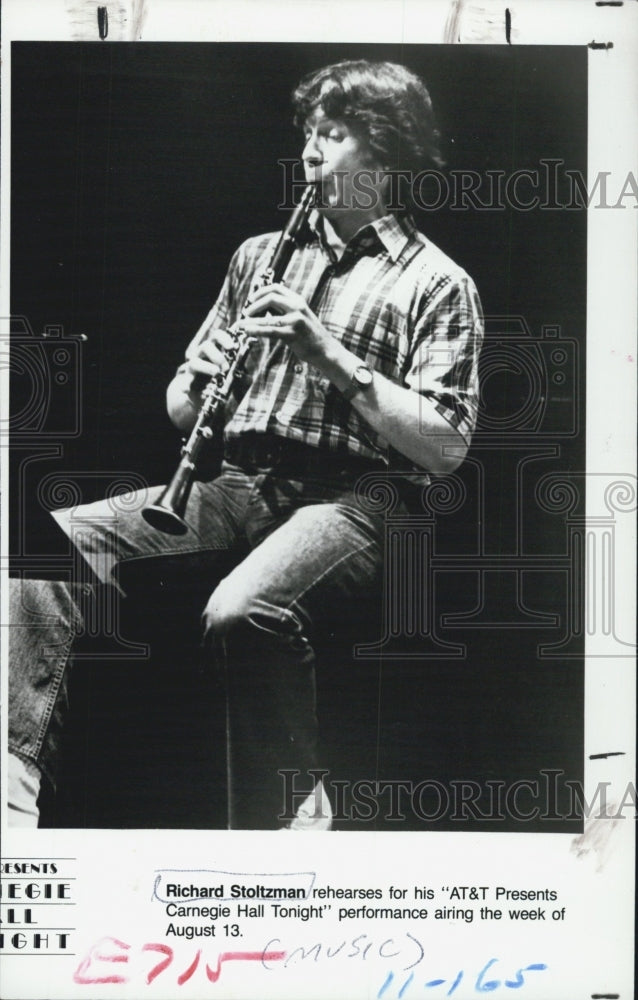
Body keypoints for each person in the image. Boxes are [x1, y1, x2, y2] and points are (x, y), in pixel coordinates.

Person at [8, 59, 483, 830]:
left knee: (241, 611)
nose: (311, 154)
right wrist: (195, 385)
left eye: (333, 135)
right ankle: (14, 785)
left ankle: (291, 810)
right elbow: (178, 407)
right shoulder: (261, 256)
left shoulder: (435, 283)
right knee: (43, 548)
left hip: (358, 500)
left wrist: (329, 354)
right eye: (308, 136)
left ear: (386, 152)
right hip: (237, 480)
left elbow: (446, 446)